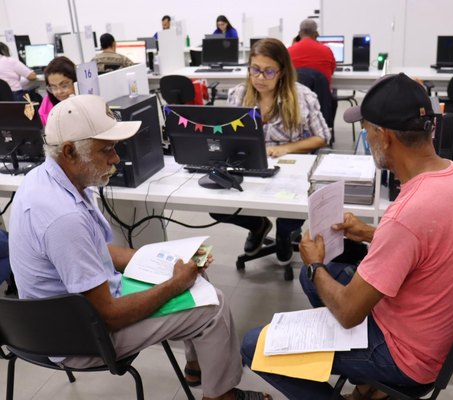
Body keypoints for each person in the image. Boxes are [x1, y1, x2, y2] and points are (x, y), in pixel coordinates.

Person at [241, 73, 453, 400]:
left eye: (367, 130)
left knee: (254, 346)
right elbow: (431, 245)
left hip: (407, 356)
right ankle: (365, 389)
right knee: (320, 276)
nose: (366, 138)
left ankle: (367, 382)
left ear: (384, 137)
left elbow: (347, 312)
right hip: (438, 333)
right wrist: (372, 233)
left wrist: (315, 264)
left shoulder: (408, 213)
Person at [8, 94, 271, 400]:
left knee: (192, 272)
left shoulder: (45, 179)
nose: (116, 158)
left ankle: (199, 366)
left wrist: (159, 260)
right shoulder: (63, 217)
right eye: (106, 149)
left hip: (56, 320)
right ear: (69, 151)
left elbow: (90, 252)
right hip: (79, 339)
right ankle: (220, 396)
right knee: (212, 305)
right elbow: (109, 316)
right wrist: (174, 284)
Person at [210, 38, 330, 265]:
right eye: (254, 70)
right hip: (249, 166)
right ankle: (258, 225)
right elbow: (227, 134)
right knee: (215, 205)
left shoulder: (302, 96)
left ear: (282, 71)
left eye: (268, 71)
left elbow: (323, 136)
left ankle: (285, 233)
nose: (260, 78)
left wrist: (286, 148)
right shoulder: (238, 94)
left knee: (291, 212)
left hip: (289, 171)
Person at [288, 19, 336, 86]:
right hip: (320, 95)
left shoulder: (289, 51)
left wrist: (293, 45)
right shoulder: (327, 50)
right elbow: (332, 71)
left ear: (299, 34)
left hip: (298, 95)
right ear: (316, 34)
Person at [38, 56, 76, 125]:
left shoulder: (86, 102)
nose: (59, 92)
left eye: (64, 86)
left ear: (75, 82)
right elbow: (40, 124)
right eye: (54, 87)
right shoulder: (47, 101)